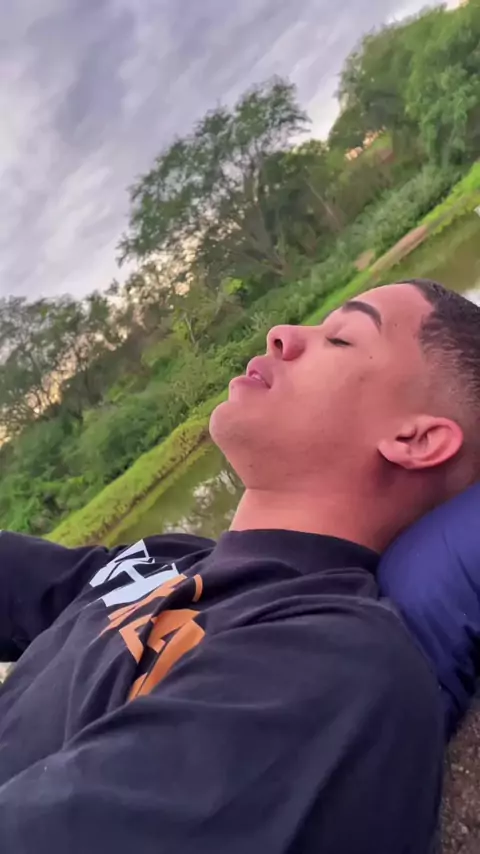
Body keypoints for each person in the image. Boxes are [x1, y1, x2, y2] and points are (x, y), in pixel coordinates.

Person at [1, 278, 479, 854]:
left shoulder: (330, 663)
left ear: (416, 439)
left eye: (341, 338)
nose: (281, 334)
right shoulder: (170, 560)